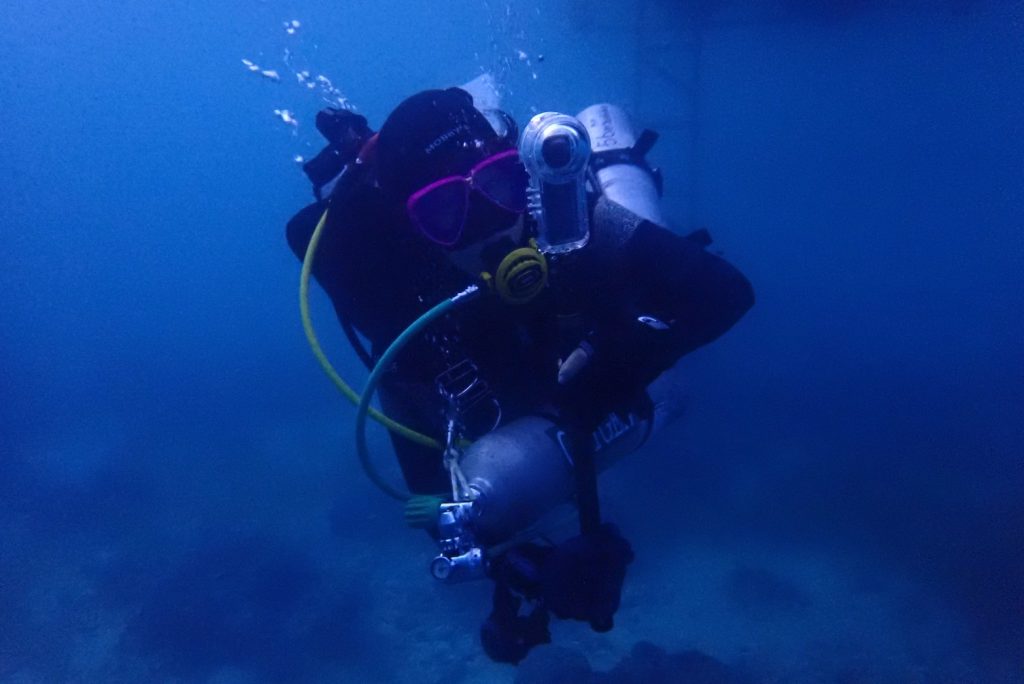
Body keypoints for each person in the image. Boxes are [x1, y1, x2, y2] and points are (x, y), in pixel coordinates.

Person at [286, 87, 754, 663]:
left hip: (587, 364)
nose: (490, 226)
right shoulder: (405, 315)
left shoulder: (566, 218)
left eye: (501, 184)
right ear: (415, 233)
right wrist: (533, 569)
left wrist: (605, 381)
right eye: (445, 212)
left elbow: (726, 293)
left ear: (523, 176)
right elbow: (438, 496)